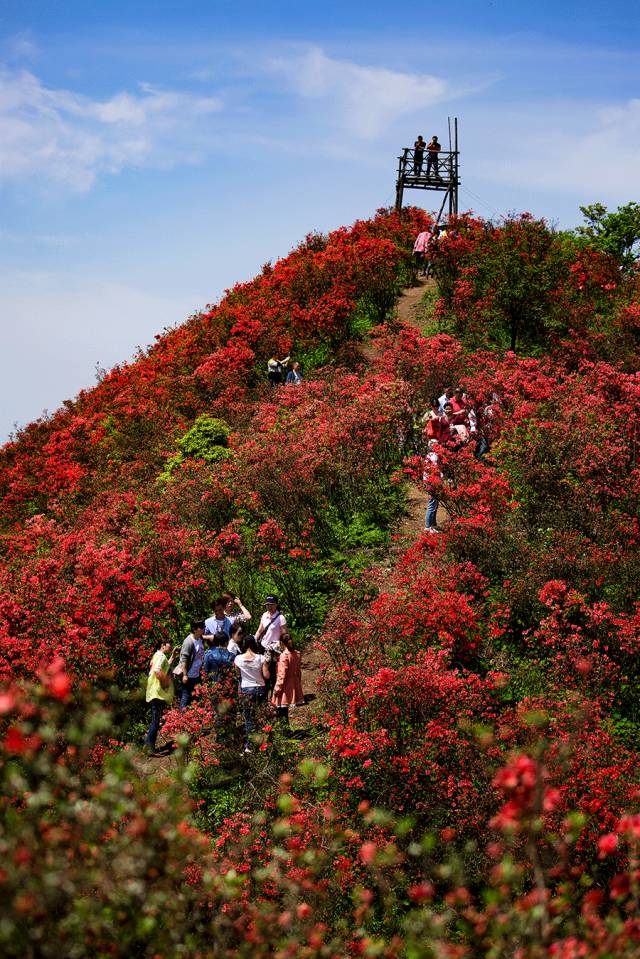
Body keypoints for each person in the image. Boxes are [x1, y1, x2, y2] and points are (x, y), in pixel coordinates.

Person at [234, 634, 270, 752]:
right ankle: (262, 743)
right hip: (260, 688)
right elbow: (266, 675)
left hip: (246, 689)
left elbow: (238, 675)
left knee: (248, 718)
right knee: (260, 716)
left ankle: (250, 746)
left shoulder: (238, 659)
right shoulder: (261, 658)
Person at [144, 638, 178, 754]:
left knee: (155, 719)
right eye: (169, 644)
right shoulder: (161, 656)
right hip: (157, 691)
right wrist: (165, 682)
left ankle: (148, 745)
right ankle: (149, 748)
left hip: (153, 691)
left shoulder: (157, 655)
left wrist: (173, 656)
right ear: (163, 645)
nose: (171, 645)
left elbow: (165, 666)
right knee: (155, 720)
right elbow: (157, 670)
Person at [255, 595, 289, 692]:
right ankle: (265, 692)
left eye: (271, 604)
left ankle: (275, 693)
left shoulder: (281, 618)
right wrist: (254, 639)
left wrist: (284, 649)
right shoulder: (264, 615)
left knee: (274, 671)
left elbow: (284, 635)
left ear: (276, 605)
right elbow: (260, 630)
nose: (269, 607)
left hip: (275, 649)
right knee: (264, 671)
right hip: (263, 647)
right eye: (267, 605)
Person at [271, 634, 304, 724]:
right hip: (293, 684)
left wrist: (277, 688)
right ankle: (285, 729)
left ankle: (284, 731)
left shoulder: (284, 656)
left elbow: (282, 674)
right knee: (284, 710)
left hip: (284, 687)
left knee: (281, 710)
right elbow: (298, 671)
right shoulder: (297, 654)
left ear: (282, 643)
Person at [175, 620, 206, 711]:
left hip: (197, 673)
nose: (203, 629)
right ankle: (181, 719)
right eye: (201, 627)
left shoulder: (200, 638)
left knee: (196, 697)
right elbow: (184, 659)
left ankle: (193, 719)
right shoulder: (188, 642)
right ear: (194, 629)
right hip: (189, 674)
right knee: (186, 697)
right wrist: (184, 675)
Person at [424, 440, 442, 533]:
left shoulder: (432, 455)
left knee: (435, 503)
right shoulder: (433, 456)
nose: (437, 446)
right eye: (435, 445)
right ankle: (428, 527)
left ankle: (432, 525)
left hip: (433, 481)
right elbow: (435, 469)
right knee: (432, 504)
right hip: (432, 482)